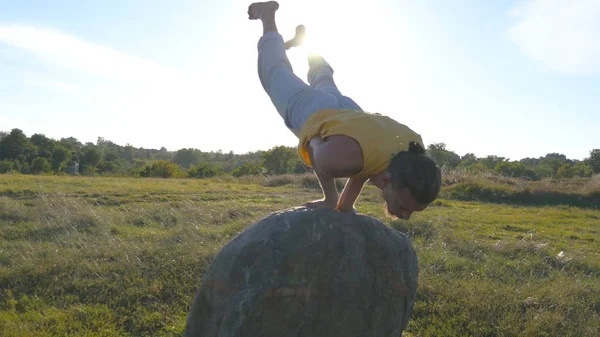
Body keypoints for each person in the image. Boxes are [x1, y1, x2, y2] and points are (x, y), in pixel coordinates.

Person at [248, 1, 441, 220]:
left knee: (323, 79)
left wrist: (345, 205)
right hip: (316, 110)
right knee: (274, 72)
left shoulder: (411, 155)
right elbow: (316, 146)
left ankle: (307, 46)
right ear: (387, 182)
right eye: (405, 207)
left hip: (350, 113)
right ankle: (267, 16)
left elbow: (367, 163)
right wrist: (331, 198)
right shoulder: (338, 160)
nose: (406, 216)